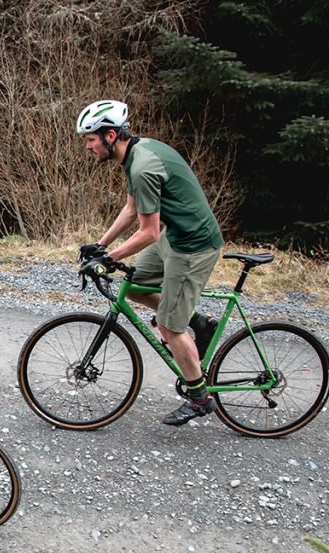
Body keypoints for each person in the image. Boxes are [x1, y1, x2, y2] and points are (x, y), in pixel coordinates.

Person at [75, 100, 224, 426]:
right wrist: (101, 244)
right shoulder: (136, 154)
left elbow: (148, 231)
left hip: (193, 247)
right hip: (176, 237)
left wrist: (110, 257)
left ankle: (199, 397)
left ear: (110, 135)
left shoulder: (141, 166)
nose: (87, 146)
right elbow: (131, 210)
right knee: (134, 284)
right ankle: (199, 324)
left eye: (90, 139)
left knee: (170, 326)